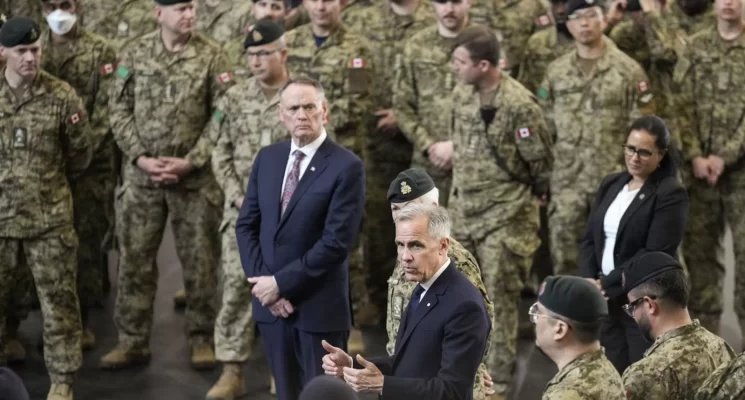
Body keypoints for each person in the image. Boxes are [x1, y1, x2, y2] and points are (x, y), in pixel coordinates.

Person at [101, 0, 235, 370]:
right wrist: (140, 157)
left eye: (191, 7)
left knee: (200, 262)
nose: (188, 14)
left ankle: (201, 337)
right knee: (134, 262)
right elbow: (118, 109)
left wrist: (192, 160)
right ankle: (132, 340)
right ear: (159, 13)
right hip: (143, 179)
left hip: (194, 179)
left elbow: (223, 112)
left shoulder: (213, 55)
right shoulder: (135, 53)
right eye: (179, 9)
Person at [437, 25, 552, 398]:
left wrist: (531, 195)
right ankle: (461, 371)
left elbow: (541, 162)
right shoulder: (461, 93)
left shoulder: (520, 105)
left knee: (498, 301)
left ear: (484, 65)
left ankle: (497, 382)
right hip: (464, 213)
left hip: (506, 215)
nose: (454, 68)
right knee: (459, 296)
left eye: (460, 62)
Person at [235, 77, 365, 400]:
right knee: (286, 394)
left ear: (325, 111)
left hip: (318, 310)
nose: (301, 114)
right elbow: (246, 225)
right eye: (293, 108)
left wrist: (280, 284)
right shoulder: (267, 158)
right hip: (272, 310)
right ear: (281, 114)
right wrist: (267, 288)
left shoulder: (347, 166)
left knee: (324, 396)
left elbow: (336, 244)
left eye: (309, 107)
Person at [0, 16, 91, 400]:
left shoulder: (62, 96)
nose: (30, 58)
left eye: (35, 50)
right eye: (21, 51)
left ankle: (62, 380)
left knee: (59, 305)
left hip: (48, 222)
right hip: (1, 222)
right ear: (3, 52)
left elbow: (80, 155)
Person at [322, 204, 490, 399]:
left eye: (416, 245)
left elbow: (452, 391)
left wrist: (382, 385)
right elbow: (407, 363)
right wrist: (352, 365)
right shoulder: (423, 287)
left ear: (443, 246)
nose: (405, 257)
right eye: (400, 245)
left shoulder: (465, 306)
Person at [205, 20, 291, 400]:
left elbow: (319, 152)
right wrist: (237, 196)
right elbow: (219, 151)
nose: (255, 61)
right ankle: (232, 370)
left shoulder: (299, 98)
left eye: (264, 54)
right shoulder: (234, 98)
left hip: (288, 217)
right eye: (251, 55)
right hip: (242, 215)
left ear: (283, 53)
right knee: (236, 291)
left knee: (285, 291)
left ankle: (280, 368)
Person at [538, 0, 654, 276]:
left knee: (618, 261)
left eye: (591, 15)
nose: (585, 23)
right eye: (577, 17)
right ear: (568, 25)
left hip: (615, 181)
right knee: (566, 261)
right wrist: (543, 179)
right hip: (567, 184)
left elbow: (643, 131)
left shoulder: (628, 70)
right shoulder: (556, 72)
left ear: (604, 20)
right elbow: (544, 130)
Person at [283, 0, 374, 351]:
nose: (321, 6)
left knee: (347, 240)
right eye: (314, 0)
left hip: (341, 157)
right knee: (299, 236)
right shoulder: (291, 43)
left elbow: (360, 101)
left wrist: (315, 123)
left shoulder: (357, 47)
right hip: (299, 155)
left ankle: (351, 319)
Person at [338, 0, 435, 329]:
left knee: (426, 226)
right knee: (380, 227)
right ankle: (381, 301)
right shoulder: (360, 18)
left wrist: (403, 116)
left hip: (424, 144)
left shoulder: (435, 17)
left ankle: (425, 301)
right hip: (375, 143)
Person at [578, 116, 688, 373]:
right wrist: (589, 281)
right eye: (630, 148)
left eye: (644, 152)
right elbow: (590, 238)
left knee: (641, 374)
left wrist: (607, 284)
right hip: (605, 301)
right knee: (611, 371)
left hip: (641, 302)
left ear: (661, 155)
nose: (634, 157)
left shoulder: (670, 193)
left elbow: (654, 253)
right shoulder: (611, 184)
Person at [39, 0, 118, 353]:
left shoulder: (100, 49)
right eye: (51, 5)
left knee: (86, 239)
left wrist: (78, 152)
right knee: (43, 245)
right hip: (43, 165)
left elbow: (106, 107)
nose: (59, 12)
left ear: (78, 7)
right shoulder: (33, 48)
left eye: (66, 4)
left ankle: (83, 317)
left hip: (90, 164)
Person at [385, 169, 495, 400]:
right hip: (408, 373)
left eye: (412, 207)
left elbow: (476, 322)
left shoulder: (452, 259)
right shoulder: (406, 250)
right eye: (396, 209)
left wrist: (475, 365)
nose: (402, 215)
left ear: (433, 207)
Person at [673, 0, 745, 340]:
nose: (729, 2)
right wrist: (695, 155)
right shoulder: (696, 46)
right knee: (700, 258)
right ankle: (707, 344)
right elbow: (680, 104)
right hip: (699, 172)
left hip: (741, 173)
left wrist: (725, 156)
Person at [621, 251, 736, 399]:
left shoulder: (644, 375)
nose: (634, 316)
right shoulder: (722, 347)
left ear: (649, 304)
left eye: (632, 307)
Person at [393, 0, 473, 208]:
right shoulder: (417, 46)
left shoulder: (483, 45)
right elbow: (402, 106)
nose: (449, 9)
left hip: (474, 167)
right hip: (427, 165)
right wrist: (429, 146)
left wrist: (458, 147)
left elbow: (497, 104)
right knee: (425, 227)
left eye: (456, 2)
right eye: (441, 2)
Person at [533, 276, 625, 400]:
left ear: (560, 329)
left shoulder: (566, 394)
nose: (535, 321)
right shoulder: (605, 370)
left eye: (538, 313)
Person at [517, 0, 574, 93]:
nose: (560, 11)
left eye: (565, 3)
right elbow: (526, 85)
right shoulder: (537, 43)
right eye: (555, 4)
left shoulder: (593, 44)